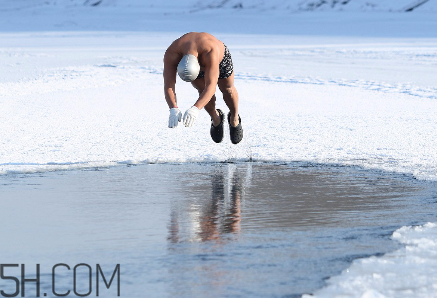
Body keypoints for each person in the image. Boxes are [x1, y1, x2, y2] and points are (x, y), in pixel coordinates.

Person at [163, 32, 243, 144]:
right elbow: (168, 85)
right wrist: (173, 108)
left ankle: (234, 119)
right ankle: (216, 119)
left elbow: (211, 87)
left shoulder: (210, 51)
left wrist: (195, 108)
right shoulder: (172, 53)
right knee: (202, 91)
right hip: (198, 61)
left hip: (218, 57)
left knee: (227, 88)